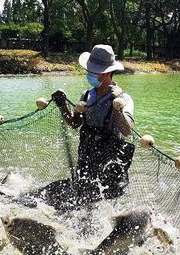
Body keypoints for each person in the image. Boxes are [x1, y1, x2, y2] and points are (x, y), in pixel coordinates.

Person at [37, 44, 135, 209]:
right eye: (90, 71)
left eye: (94, 72)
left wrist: (116, 107)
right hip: (86, 157)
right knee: (83, 198)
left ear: (107, 72)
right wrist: (62, 105)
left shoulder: (124, 98)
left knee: (104, 202)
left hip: (109, 161)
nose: (90, 75)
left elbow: (126, 131)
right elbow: (75, 123)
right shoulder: (87, 95)